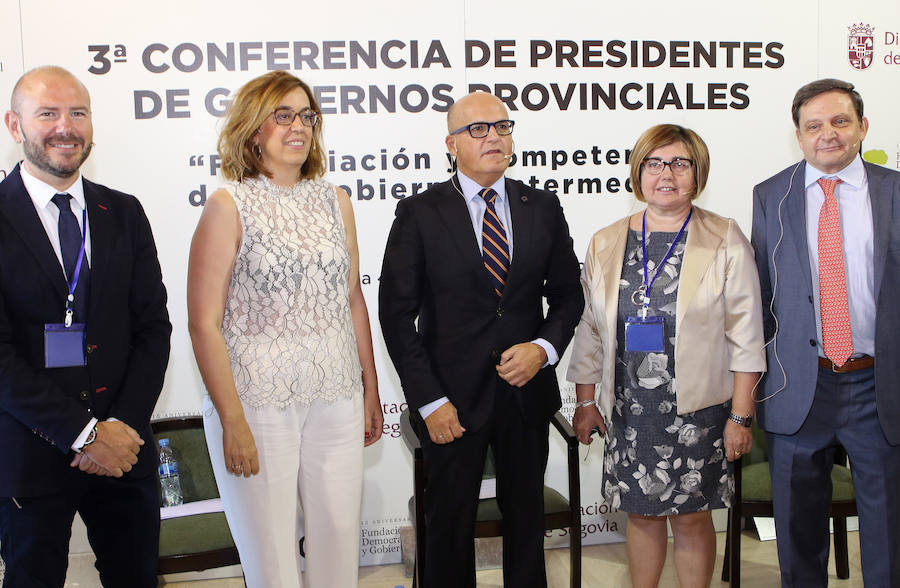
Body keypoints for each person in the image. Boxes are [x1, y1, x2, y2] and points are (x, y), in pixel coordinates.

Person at [378, 91, 583, 588]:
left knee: (526, 525)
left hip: (525, 397)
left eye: (502, 126)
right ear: (451, 145)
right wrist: (429, 402)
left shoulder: (543, 206)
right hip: (451, 405)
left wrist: (543, 349)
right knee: (448, 530)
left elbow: (569, 297)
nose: (494, 136)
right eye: (478, 129)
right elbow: (396, 316)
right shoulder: (420, 213)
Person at [187, 70, 382, 587]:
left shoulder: (335, 200)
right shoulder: (228, 205)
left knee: (340, 540)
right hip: (256, 400)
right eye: (283, 115)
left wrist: (371, 387)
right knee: (271, 555)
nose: (299, 126)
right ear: (253, 130)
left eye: (307, 116)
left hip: (336, 393)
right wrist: (232, 420)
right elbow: (203, 324)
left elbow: (353, 299)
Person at [567, 124, 765, 587]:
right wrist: (583, 400)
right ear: (638, 173)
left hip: (699, 411)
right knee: (641, 514)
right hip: (631, 410)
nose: (667, 174)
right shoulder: (606, 240)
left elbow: (746, 333)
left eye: (680, 163)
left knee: (693, 518)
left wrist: (740, 416)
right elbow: (590, 329)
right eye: (655, 163)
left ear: (698, 174)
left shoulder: (724, 236)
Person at [0, 66, 171, 587]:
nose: (65, 127)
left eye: (78, 112)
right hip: (32, 455)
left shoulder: (123, 212)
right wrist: (83, 435)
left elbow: (152, 330)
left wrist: (119, 429)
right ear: (14, 125)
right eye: (47, 113)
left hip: (124, 453)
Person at [751, 78, 900, 586]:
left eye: (840, 121)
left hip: (878, 386)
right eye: (814, 126)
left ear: (862, 127)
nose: (828, 134)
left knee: (887, 534)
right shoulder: (772, 194)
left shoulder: (895, 190)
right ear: (798, 135)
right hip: (800, 388)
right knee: (796, 535)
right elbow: (764, 294)